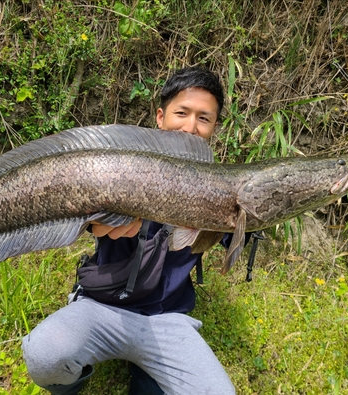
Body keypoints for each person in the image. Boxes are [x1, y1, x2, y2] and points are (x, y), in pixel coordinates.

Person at [22, 67, 236, 394]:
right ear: (161, 117)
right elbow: (67, 208)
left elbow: (239, 230)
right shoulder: (117, 166)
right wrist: (89, 221)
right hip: (101, 306)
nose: (191, 127)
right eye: (182, 113)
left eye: (204, 118)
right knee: (44, 355)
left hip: (167, 319)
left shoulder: (219, 188)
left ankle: (146, 373)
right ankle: (76, 379)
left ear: (214, 127)